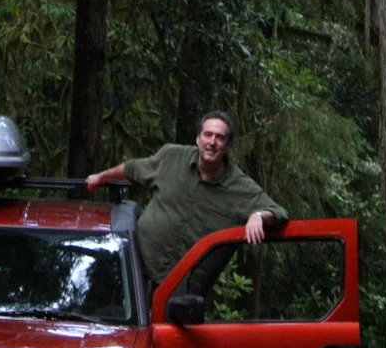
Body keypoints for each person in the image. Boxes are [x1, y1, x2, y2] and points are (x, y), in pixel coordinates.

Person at [86, 110, 287, 286]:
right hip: (135, 272)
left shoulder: (240, 186)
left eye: (220, 137)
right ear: (198, 138)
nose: (212, 142)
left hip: (183, 291)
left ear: (227, 145)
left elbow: (280, 213)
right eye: (208, 135)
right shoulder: (171, 157)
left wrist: (259, 215)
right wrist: (100, 177)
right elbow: (132, 168)